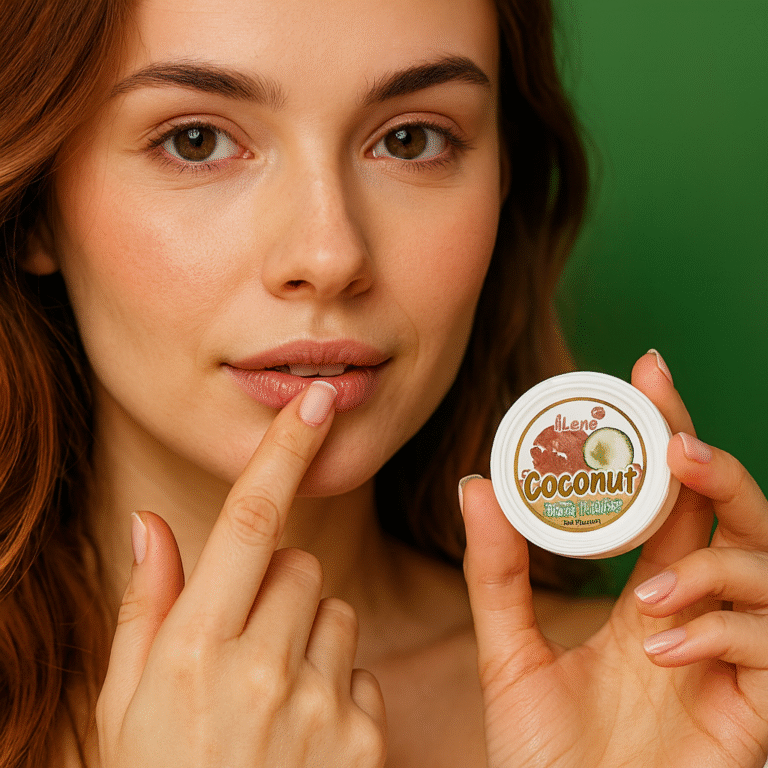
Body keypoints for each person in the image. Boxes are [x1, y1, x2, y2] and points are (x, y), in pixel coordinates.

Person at [0, 0, 766, 765]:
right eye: (196, 142)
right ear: (37, 206)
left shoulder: (673, 712)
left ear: (503, 177)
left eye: (411, 139)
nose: (331, 254)